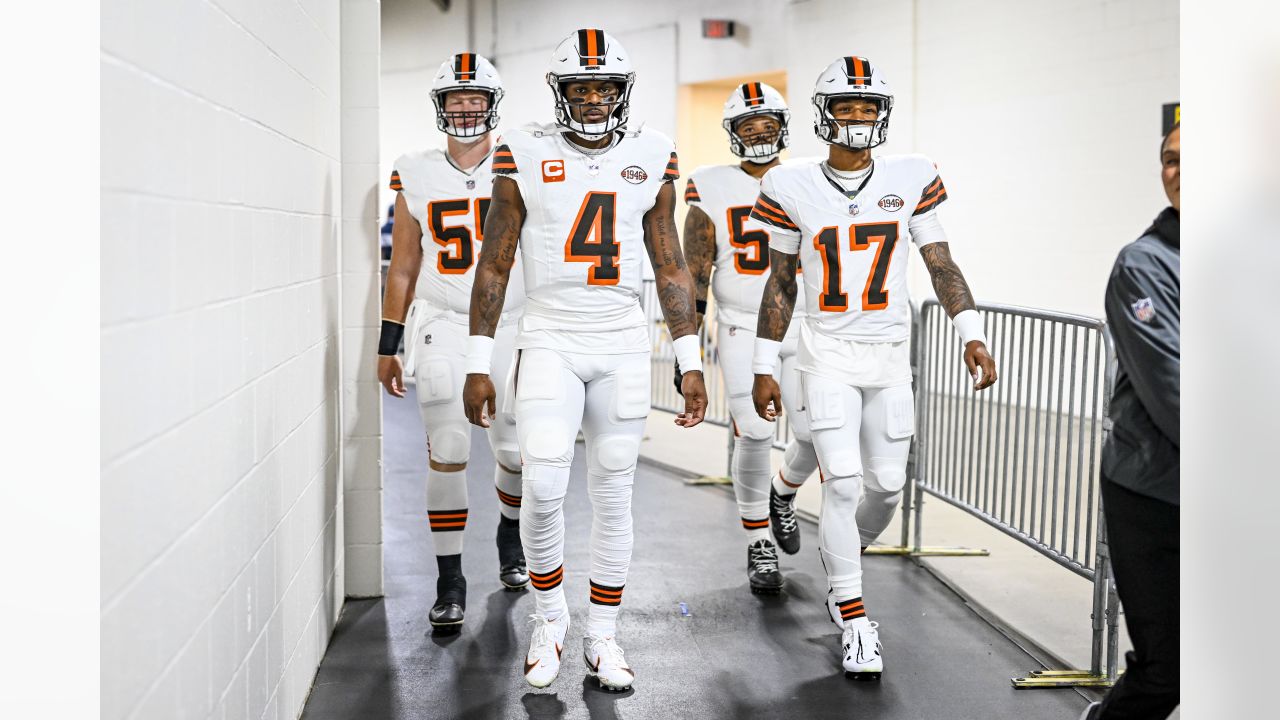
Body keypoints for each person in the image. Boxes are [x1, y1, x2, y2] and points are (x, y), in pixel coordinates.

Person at [461, 29, 708, 692]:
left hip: (622, 338)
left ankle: (602, 634)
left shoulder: (653, 153)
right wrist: (477, 358)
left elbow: (670, 261)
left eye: (605, 87)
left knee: (614, 488)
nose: (594, 99)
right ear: (560, 92)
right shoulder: (523, 149)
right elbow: (496, 258)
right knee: (543, 482)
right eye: (581, 87)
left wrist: (690, 357)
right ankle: (549, 621)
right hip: (549, 334)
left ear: (623, 92)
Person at [749, 56, 998, 679]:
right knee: (844, 482)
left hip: (888, 356)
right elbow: (779, 283)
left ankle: (842, 564)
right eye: (846, 106)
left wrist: (971, 332)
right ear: (824, 113)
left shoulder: (911, 176)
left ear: (882, 116)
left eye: (868, 108)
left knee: (886, 486)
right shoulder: (790, 183)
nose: (857, 118)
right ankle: (856, 617)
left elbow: (940, 261)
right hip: (826, 351)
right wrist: (762, 364)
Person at [376, 53, 528, 635]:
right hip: (443, 319)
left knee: (514, 451)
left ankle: (509, 536)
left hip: (512, 319)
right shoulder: (415, 169)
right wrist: (388, 343)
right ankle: (450, 579)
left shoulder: (523, 160)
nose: (466, 108)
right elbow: (403, 266)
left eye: (475, 99)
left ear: (493, 104)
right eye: (456, 99)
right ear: (441, 106)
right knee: (448, 444)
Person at [680, 82, 819, 595]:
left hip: (802, 320)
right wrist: (686, 350)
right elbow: (695, 272)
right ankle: (758, 537)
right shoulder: (709, 184)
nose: (759, 133)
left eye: (768, 124)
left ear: (784, 128)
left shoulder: (808, 178)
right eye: (748, 125)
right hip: (740, 321)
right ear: (733, 133)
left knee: (811, 433)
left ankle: (783, 492)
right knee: (756, 432)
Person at [1080, 124, 1180, 720]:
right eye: (1170, 160)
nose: (1180, 170)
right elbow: (1174, 389)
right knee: (1169, 668)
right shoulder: (1142, 265)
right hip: (1152, 492)